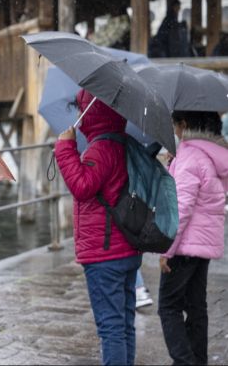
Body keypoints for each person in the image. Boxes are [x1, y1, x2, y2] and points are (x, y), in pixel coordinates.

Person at [54, 90, 142, 366]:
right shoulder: (123, 143)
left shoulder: (101, 148)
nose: (79, 115)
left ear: (92, 111)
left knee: (110, 327)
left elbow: (82, 187)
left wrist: (65, 149)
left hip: (105, 254)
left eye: (81, 108)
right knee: (124, 324)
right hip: (126, 247)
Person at [157, 110, 228, 365]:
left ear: (184, 124)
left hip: (184, 246)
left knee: (168, 307)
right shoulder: (212, 154)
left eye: (175, 124)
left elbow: (181, 209)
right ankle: (198, 360)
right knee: (197, 307)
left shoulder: (190, 156)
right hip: (203, 245)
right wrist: (175, 164)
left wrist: (166, 250)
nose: (174, 130)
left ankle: (186, 362)